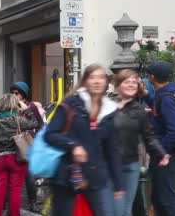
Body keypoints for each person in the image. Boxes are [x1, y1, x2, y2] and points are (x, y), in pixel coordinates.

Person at [44, 64, 123, 216]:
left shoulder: (109, 110)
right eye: (92, 77)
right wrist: (73, 146)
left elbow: (111, 149)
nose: (97, 81)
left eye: (101, 77)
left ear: (106, 82)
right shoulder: (70, 104)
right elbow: (50, 134)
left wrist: (118, 183)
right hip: (67, 173)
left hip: (95, 175)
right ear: (85, 81)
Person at [112, 69, 170, 216]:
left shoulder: (139, 110)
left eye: (134, 82)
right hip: (110, 164)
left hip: (131, 164)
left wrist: (161, 153)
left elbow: (148, 136)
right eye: (127, 82)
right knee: (114, 209)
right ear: (118, 85)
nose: (131, 85)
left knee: (125, 209)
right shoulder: (107, 107)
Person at [0, 93, 39, 216]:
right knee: (15, 190)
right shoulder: (18, 120)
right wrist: (27, 108)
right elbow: (36, 122)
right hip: (16, 159)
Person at [147, 61, 175, 216]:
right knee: (159, 198)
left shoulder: (167, 98)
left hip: (166, 155)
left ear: (152, 77)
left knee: (167, 199)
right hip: (164, 153)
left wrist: (161, 150)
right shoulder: (164, 94)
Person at [9, 81, 44, 212]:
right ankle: (9, 203)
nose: (14, 95)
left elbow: (39, 124)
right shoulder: (9, 106)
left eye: (16, 93)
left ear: (23, 94)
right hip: (12, 144)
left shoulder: (31, 107)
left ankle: (32, 202)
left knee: (29, 175)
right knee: (12, 177)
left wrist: (35, 140)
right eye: (12, 93)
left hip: (27, 144)